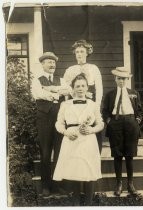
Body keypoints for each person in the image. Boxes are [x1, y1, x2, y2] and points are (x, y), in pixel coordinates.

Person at [53, 73, 104, 205]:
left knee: (89, 170)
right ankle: (76, 204)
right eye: (77, 86)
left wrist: (91, 129)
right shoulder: (65, 104)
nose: (80, 88)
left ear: (87, 87)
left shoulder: (93, 105)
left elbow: (101, 123)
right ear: (73, 88)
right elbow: (58, 123)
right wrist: (65, 132)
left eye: (83, 85)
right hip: (71, 140)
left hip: (88, 140)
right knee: (74, 170)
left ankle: (88, 203)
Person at [31, 52, 69, 197]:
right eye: (48, 62)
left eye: (53, 62)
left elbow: (68, 91)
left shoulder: (61, 79)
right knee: (46, 153)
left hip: (59, 118)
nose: (52, 64)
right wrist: (57, 93)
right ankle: (46, 186)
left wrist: (50, 89)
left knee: (59, 152)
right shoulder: (37, 80)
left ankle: (57, 185)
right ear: (42, 64)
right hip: (44, 119)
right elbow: (38, 94)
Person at [102, 67, 143, 197]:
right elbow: (105, 111)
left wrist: (136, 120)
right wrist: (109, 121)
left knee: (130, 155)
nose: (121, 81)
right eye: (119, 78)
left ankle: (130, 184)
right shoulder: (110, 94)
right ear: (115, 79)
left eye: (124, 78)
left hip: (131, 123)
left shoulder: (134, 93)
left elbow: (140, 110)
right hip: (116, 124)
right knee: (117, 155)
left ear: (127, 79)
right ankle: (119, 184)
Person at [63, 39, 103, 152]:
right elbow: (65, 85)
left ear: (87, 53)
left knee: (91, 127)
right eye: (77, 52)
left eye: (82, 51)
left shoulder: (93, 68)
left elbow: (99, 88)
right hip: (75, 101)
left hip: (91, 102)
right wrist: (74, 93)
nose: (79, 54)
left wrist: (97, 106)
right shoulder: (70, 69)